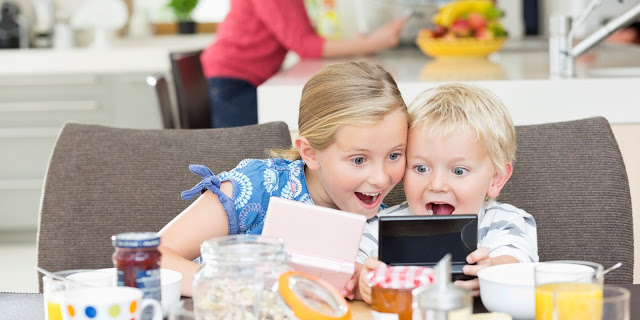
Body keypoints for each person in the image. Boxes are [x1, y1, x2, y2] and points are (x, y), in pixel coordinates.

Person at [158, 61, 409, 297]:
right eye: (358, 160)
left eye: (394, 155)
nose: (380, 178)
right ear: (310, 153)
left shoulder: (381, 225)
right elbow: (152, 257)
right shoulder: (256, 187)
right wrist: (245, 289)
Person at [355, 83, 539, 303]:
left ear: (496, 178)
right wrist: (361, 282)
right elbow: (349, 270)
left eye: (458, 171)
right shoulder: (378, 225)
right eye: (421, 168)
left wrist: (491, 271)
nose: (437, 185)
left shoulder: (508, 222)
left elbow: (517, 265)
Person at [200, 0, 408, 128]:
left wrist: (360, 46)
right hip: (235, 81)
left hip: (239, 78)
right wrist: (372, 43)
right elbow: (303, 44)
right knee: (240, 161)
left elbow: (304, 38)